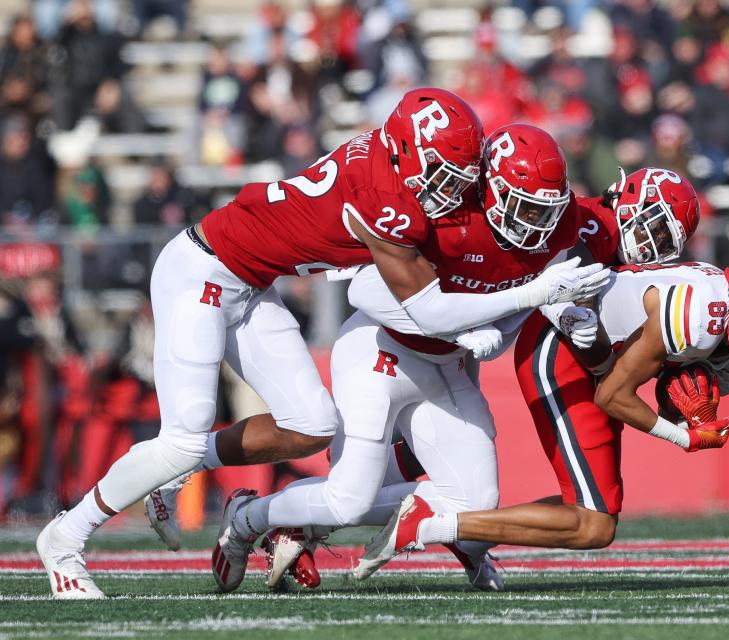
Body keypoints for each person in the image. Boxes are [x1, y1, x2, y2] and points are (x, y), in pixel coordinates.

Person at [35, 89, 609, 599]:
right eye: (442, 176)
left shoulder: (391, 155)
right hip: (201, 270)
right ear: (406, 157)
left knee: (311, 425)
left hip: (253, 284)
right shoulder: (390, 201)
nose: (451, 193)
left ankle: (183, 473)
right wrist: (536, 290)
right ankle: (65, 538)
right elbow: (427, 308)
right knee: (183, 434)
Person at [211, 123, 598, 593]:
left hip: (446, 366)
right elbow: (367, 288)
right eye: (524, 207)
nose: (535, 224)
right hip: (381, 352)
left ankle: (303, 524)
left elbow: (520, 293)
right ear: (491, 190)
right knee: (349, 497)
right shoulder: (449, 215)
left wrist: (542, 309)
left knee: (476, 503)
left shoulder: (551, 233)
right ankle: (249, 516)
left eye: (546, 211)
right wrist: (478, 317)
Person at [353, 253, 729, 578]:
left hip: (598, 359)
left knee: (595, 521)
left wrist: (685, 411)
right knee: (593, 522)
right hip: (563, 347)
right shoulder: (702, 316)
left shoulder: (724, 330)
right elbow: (614, 395)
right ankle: (432, 523)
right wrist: (683, 437)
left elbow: (652, 386)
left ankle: (449, 523)